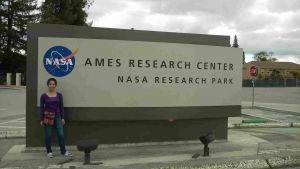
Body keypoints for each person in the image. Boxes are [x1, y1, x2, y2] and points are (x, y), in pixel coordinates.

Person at [40, 78, 71, 158]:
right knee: (48, 135)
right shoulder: (43, 96)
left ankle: (63, 151)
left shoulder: (59, 95)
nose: (52, 85)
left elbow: (61, 107)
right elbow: (41, 108)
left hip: (57, 116)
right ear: (48, 85)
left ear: (55, 85)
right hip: (47, 117)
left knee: (61, 134)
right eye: (50, 84)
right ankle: (49, 152)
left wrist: (62, 117)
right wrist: (41, 119)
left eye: (53, 84)